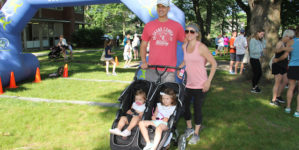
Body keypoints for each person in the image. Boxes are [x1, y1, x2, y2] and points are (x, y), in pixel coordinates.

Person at [177, 24, 217, 145]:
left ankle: (196, 134)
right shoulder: (184, 46)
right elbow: (186, 61)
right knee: (184, 108)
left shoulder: (202, 47)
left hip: (200, 84)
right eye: (187, 31)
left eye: (192, 32)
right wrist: (180, 69)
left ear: (197, 34)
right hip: (188, 83)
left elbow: (214, 64)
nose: (189, 33)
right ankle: (189, 128)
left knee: (197, 109)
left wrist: (208, 81)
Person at [140, 0, 185, 82]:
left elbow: (188, 44)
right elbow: (143, 45)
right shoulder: (149, 25)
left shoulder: (177, 26)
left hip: (169, 70)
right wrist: (143, 61)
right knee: (151, 94)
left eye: (163, 7)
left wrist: (183, 63)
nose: (161, 9)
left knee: (167, 94)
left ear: (168, 9)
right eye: (159, 6)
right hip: (151, 68)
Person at [270, 29, 295, 106]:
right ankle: (273, 100)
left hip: (283, 65)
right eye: (290, 37)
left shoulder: (286, 43)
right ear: (286, 36)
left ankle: (278, 96)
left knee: (285, 80)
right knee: (277, 82)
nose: (291, 39)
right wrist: (284, 49)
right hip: (277, 64)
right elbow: (275, 51)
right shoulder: (280, 43)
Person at [285, 26, 299, 117]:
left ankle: (288, 107)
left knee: (291, 87)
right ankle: (297, 111)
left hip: (293, 66)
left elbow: (286, 54)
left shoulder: (291, 41)